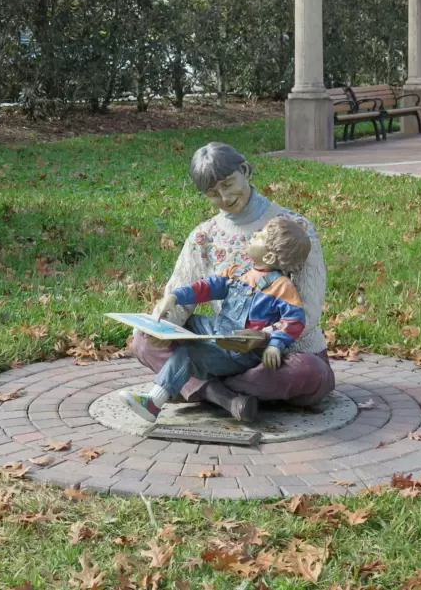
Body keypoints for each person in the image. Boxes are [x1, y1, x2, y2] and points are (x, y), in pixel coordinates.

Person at [129, 142, 334, 421]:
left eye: (228, 183)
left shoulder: (295, 229)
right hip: (219, 346)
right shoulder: (204, 236)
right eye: (213, 193)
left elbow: (306, 310)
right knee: (142, 342)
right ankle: (228, 399)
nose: (225, 197)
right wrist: (161, 322)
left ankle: (201, 389)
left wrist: (265, 339)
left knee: (310, 374)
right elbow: (184, 293)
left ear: (245, 170)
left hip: (277, 354)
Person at [119, 216, 310, 423]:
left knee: (189, 355)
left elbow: (295, 320)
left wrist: (275, 344)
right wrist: (175, 297)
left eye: (260, 236)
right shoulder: (239, 272)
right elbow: (207, 286)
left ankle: (154, 401)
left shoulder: (281, 287)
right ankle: (174, 366)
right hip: (218, 329)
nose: (254, 235)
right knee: (188, 323)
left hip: (239, 349)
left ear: (271, 258)